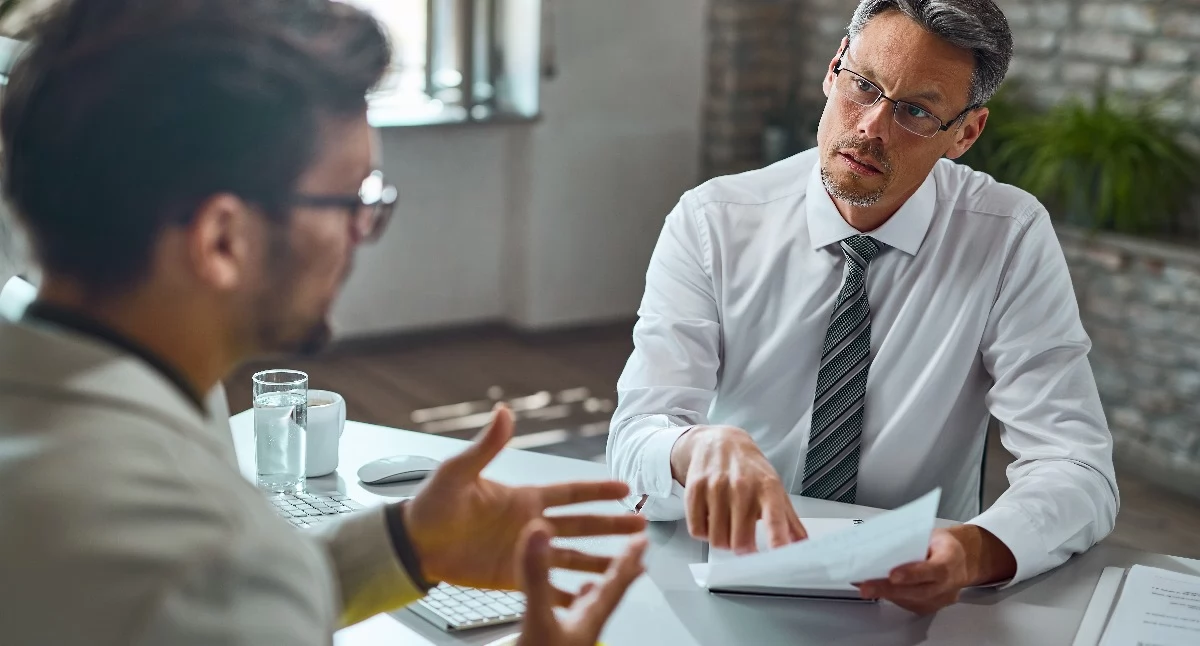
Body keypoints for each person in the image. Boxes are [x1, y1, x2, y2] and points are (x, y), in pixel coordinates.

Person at [0, 0, 647, 644]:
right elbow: (212, 597)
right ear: (223, 240)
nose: (361, 235)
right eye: (349, 200)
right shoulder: (198, 553)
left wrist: (404, 547)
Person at [608, 0, 1119, 615]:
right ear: (832, 71)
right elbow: (638, 433)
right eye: (863, 86)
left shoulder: (1006, 237)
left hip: (909, 596)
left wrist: (977, 550)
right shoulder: (712, 221)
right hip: (717, 575)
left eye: (914, 111)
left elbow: (1076, 464)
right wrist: (691, 448)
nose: (871, 126)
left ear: (966, 133)